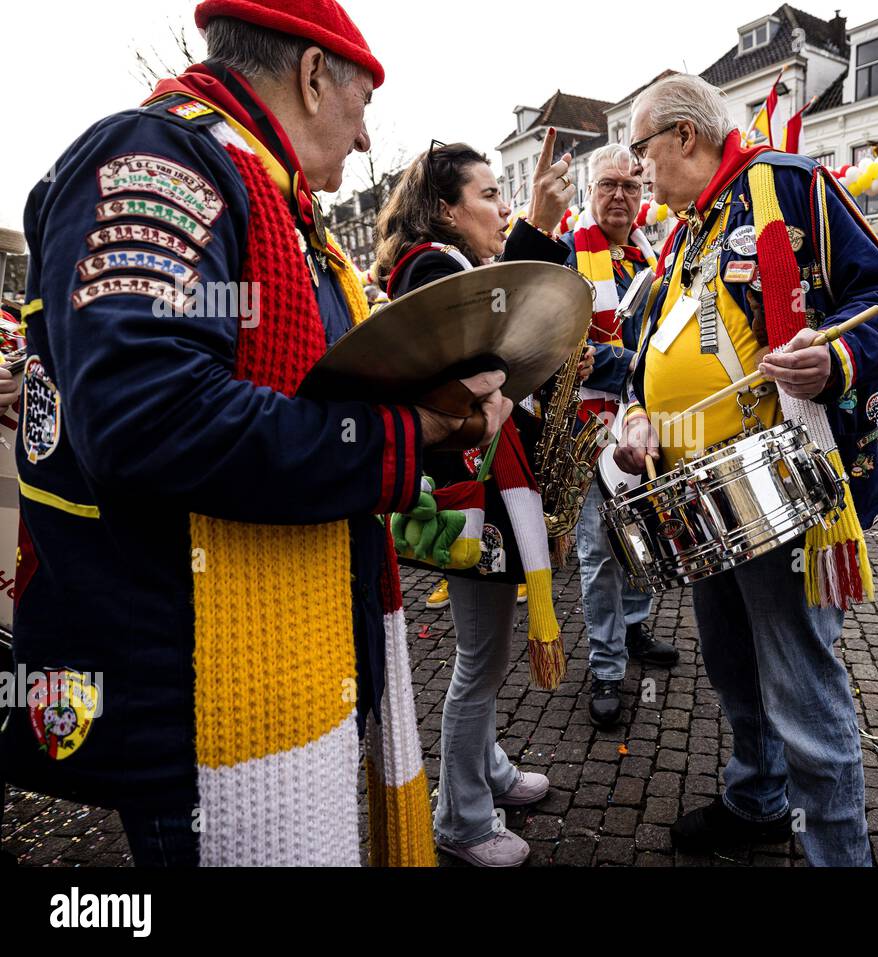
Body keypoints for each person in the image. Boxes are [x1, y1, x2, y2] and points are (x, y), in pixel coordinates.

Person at [2, 0, 519, 867]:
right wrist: (394, 438)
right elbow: (150, 415)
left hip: (273, 684)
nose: (364, 144)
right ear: (314, 75)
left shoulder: (270, 198)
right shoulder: (155, 157)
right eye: (363, 108)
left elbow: (295, 399)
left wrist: (428, 425)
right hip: (201, 713)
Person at [615, 74, 878, 866]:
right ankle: (757, 796)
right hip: (700, 500)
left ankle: (838, 855)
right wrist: (639, 414)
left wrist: (837, 360)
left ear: (685, 135)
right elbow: (653, 353)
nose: (639, 168)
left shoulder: (789, 187)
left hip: (780, 490)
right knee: (728, 663)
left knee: (800, 682)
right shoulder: (686, 233)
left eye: (643, 149)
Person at [373, 133, 578, 867]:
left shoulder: (451, 264)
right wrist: (539, 228)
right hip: (472, 501)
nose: (500, 207)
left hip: (484, 496)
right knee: (480, 660)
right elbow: (490, 338)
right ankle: (460, 818)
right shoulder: (431, 268)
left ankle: (486, 769)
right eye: (488, 195)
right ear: (444, 210)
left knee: (480, 655)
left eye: (501, 194)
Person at [561, 145, 677, 729]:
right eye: (608, 185)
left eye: (631, 187)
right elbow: (564, 351)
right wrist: (627, 364)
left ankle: (634, 628)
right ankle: (606, 669)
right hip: (587, 432)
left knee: (646, 534)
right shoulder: (565, 258)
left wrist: (623, 364)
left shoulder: (654, 260)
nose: (620, 197)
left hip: (646, 422)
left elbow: (663, 348)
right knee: (598, 552)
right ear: (589, 191)